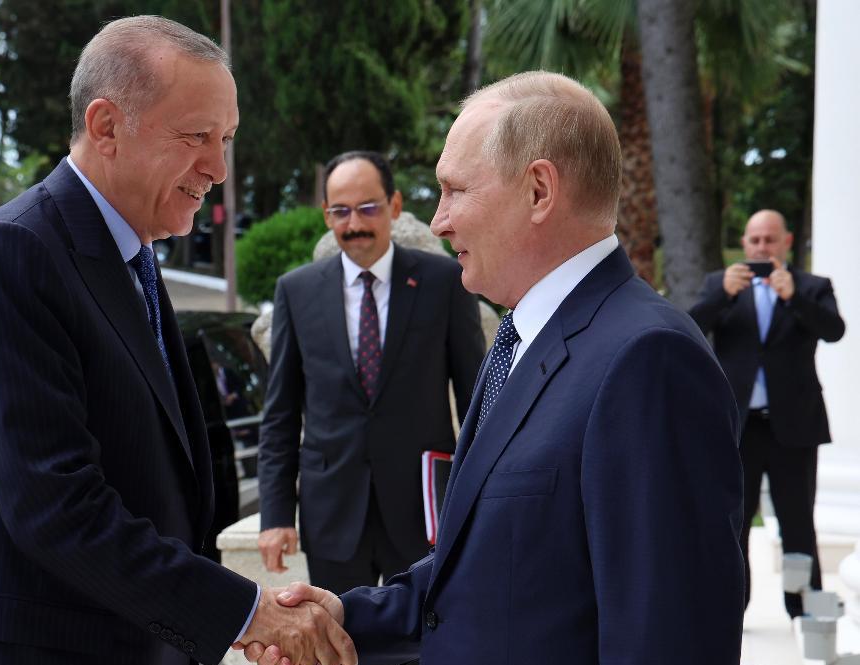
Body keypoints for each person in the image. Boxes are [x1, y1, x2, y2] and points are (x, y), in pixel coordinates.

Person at [239, 71, 746, 665]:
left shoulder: (647, 361)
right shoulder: (521, 337)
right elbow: (484, 571)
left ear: (539, 191)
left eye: (454, 190)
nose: (438, 221)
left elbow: (667, 638)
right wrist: (347, 616)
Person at [0, 16, 354, 665]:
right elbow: (55, 507)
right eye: (198, 136)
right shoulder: (14, 251)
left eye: (225, 139)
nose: (218, 168)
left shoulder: (130, 256)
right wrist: (245, 612)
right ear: (106, 125)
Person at [257, 150, 484, 594]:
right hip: (332, 515)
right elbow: (280, 414)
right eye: (340, 211)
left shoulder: (444, 282)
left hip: (422, 513)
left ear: (395, 206)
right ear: (326, 216)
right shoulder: (296, 291)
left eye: (367, 208)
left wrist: (480, 502)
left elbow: (479, 400)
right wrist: (277, 516)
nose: (354, 223)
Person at [689, 209, 845, 618]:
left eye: (770, 240)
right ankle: (730, 611)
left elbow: (834, 330)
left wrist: (794, 296)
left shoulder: (812, 286)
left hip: (793, 426)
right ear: (744, 243)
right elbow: (687, 327)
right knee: (733, 524)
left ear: (787, 242)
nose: (762, 248)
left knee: (797, 523)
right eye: (755, 240)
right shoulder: (721, 286)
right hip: (737, 428)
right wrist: (721, 294)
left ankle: (803, 609)